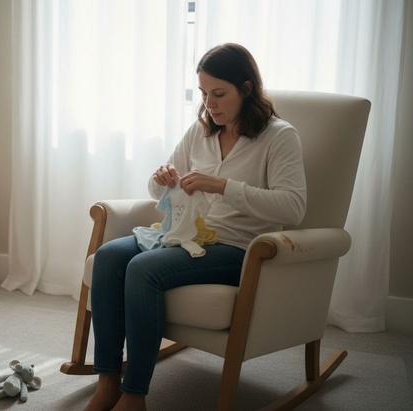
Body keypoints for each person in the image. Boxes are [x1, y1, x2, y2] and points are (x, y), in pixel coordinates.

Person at [84, 43, 307, 411]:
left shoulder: (279, 136)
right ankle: (108, 383)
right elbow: (158, 190)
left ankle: (135, 395)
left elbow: (294, 207)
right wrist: (162, 177)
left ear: (247, 88)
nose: (209, 105)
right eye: (204, 94)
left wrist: (222, 186)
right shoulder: (200, 132)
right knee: (108, 257)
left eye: (219, 94)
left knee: (142, 269)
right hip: (186, 236)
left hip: (238, 248)